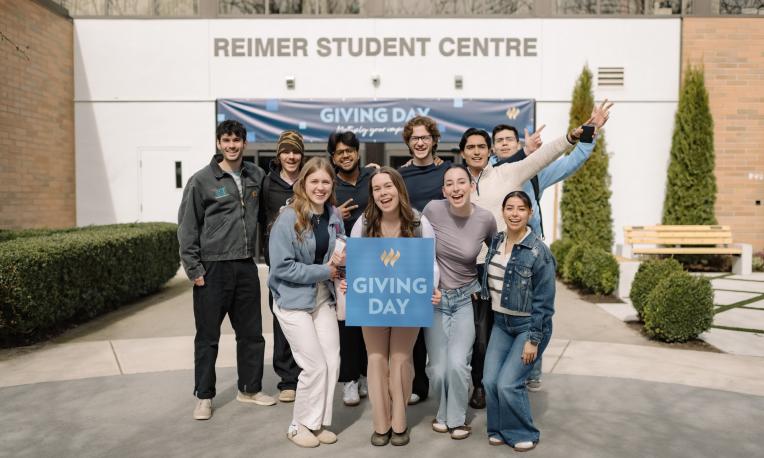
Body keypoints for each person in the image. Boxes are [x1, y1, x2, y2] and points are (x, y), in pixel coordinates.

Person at [466, 100, 613, 409]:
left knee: (530, 316)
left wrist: (589, 131)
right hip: (488, 262)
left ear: (517, 143)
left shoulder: (531, 174)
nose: (504, 144)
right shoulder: (481, 180)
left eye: (510, 139)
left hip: (525, 260)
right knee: (490, 328)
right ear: (492, 149)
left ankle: (526, 372)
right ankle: (491, 380)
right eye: (499, 141)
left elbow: (566, 160)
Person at [178, 119, 275, 421]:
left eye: (237, 140)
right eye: (226, 140)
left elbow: (281, 193)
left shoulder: (256, 176)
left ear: (245, 143)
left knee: (251, 334)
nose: (232, 146)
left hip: (245, 266)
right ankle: (204, 396)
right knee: (208, 336)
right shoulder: (201, 180)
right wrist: (194, 268)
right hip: (212, 268)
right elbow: (187, 226)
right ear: (219, 143)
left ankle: (249, 388)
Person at [345, 166, 441, 446]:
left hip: (407, 301)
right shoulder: (363, 224)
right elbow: (354, 263)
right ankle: (380, 423)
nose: (383, 193)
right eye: (376, 189)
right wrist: (349, 282)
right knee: (375, 359)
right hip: (372, 301)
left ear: (399, 189)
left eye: (388, 186)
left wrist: (431, 289)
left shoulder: (418, 222)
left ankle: (399, 422)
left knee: (400, 359)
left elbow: (430, 262)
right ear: (372, 195)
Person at [267, 157, 345, 448]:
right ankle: (297, 425)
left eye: (326, 182)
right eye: (314, 181)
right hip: (292, 300)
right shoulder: (288, 217)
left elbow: (339, 246)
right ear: (303, 183)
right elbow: (282, 267)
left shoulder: (333, 214)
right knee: (313, 366)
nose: (320, 187)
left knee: (331, 361)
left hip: (322, 297)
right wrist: (327, 270)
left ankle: (317, 423)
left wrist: (344, 263)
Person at [422, 164, 496, 440]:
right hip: (435, 301)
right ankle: (442, 412)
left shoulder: (486, 219)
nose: (455, 188)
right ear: (443, 190)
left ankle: (455, 419)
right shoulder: (432, 210)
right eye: (449, 184)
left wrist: (481, 282)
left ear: (471, 187)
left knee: (458, 364)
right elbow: (417, 248)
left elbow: (494, 252)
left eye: (461, 182)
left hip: (465, 299)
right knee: (438, 370)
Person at [480, 191, 556, 452]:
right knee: (489, 381)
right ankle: (499, 428)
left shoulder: (538, 252)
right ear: (503, 211)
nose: (514, 213)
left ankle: (524, 431)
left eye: (520, 209)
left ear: (530, 213)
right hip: (502, 323)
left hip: (529, 326)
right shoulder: (497, 241)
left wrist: (533, 340)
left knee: (508, 383)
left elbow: (544, 303)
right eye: (509, 208)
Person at [397, 115, 451, 404]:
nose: (420, 142)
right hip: (411, 254)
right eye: (414, 138)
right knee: (414, 322)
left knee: (441, 322)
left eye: (425, 137)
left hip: (444, 253)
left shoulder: (447, 171)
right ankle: (418, 383)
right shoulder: (400, 175)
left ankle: (446, 377)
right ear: (408, 142)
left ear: (434, 141)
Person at [259, 130, 305, 403]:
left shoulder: (309, 180)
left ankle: (307, 373)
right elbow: (260, 222)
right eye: (286, 151)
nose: (291, 156)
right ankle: (288, 380)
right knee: (282, 321)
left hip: (307, 264)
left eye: (296, 151)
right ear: (279, 155)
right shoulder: (268, 184)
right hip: (280, 266)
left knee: (308, 319)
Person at [327, 131, 371, 407]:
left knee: (370, 321)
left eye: (349, 150)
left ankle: (366, 373)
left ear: (357, 152)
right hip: (343, 263)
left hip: (374, 260)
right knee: (347, 324)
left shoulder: (371, 178)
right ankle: (350, 380)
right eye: (339, 152)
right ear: (333, 157)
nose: (345, 155)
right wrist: (335, 213)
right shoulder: (329, 185)